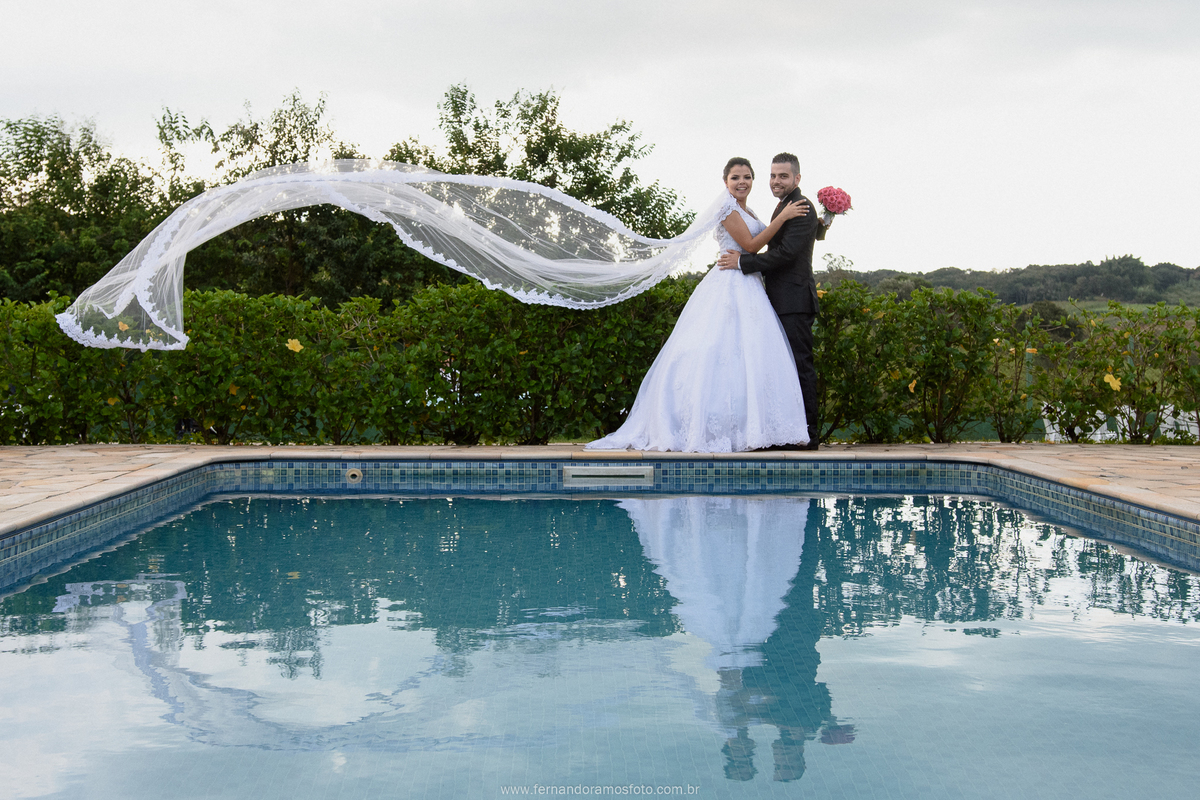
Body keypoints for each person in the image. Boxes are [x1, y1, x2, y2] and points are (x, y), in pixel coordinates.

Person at [586, 157, 810, 452]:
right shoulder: (726, 208)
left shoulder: (749, 209)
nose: (741, 182)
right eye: (735, 178)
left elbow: (771, 243)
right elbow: (753, 245)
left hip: (750, 284)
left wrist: (815, 224)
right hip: (729, 282)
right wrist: (782, 219)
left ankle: (749, 429)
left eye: (746, 177)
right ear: (725, 182)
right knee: (717, 353)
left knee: (751, 357)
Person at [717, 153, 821, 450]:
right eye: (773, 176)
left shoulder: (799, 206)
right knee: (775, 367)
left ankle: (809, 435)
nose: (776, 181)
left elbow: (785, 253)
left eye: (783, 176)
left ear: (797, 179)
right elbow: (781, 237)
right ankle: (780, 432)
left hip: (793, 299)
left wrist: (743, 263)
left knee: (799, 367)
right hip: (771, 299)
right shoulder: (784, 207)